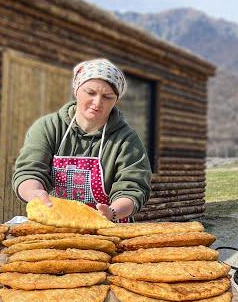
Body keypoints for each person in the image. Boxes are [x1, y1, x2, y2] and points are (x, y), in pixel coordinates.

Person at [13, 58, 152, 223]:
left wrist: (112, 212)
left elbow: (133, 188)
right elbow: (29, 171)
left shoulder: (126, 140)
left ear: (116, 101)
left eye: (107, 97)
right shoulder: (48, 128)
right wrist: (34, 193)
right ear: (76, 89)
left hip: (108, 228)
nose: (97, 102)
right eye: (90, 92)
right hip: (56, 223)